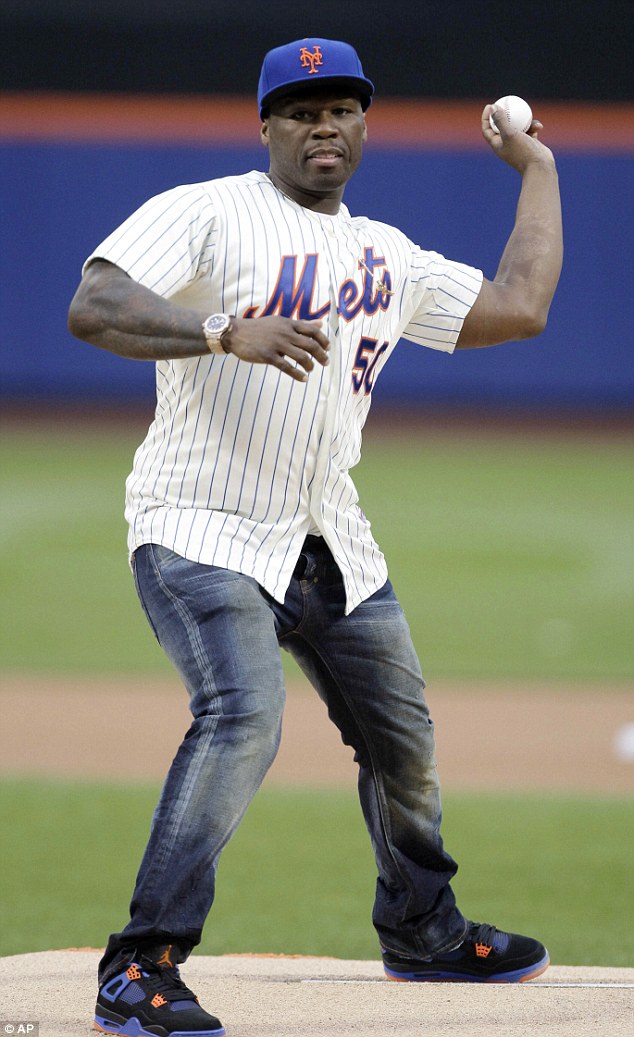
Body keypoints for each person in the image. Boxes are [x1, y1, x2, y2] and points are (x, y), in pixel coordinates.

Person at [68, 36, 563, 1037]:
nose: (322, 125)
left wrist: (540, 169)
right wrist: (220, 329)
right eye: (299, 111)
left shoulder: (387, 254)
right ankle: (140, 963)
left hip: (328, 537)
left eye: (339, 108)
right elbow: (94, 302)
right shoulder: (209, 210)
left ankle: (422, 927)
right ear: (267, 127)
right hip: (199, 525)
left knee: (402, 739)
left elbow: (520, 305)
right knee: (244, 713)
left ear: (363, 125)